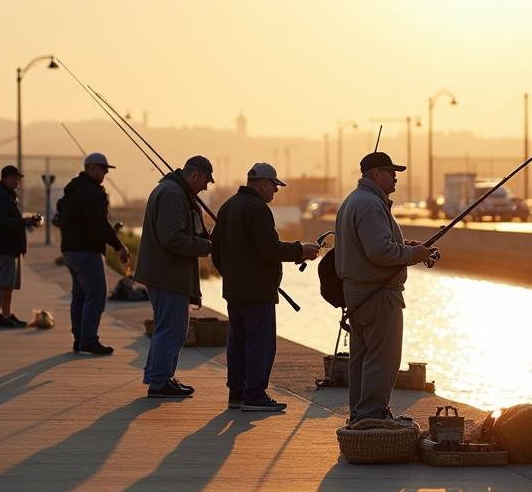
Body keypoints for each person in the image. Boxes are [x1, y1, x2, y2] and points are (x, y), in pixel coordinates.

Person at [334, 152, 435, 424]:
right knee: (383, 357)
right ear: (376, 175)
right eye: (391, 172)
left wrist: (407, 248)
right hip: (377, 294)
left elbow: (377, 247)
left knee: (362, 358)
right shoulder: (370, 205)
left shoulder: (354, 201)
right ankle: (372, 416)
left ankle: (360, 414)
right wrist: (416, 255)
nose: (395, 178)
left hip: (358, 293)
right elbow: (380, 252)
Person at [211, 163, 320, 412]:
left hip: (233, 290)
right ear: (262, 183)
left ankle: (237, 394)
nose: (275, 191)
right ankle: (255, 395)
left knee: (237, 342)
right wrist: (300, 250)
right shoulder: (258, 209)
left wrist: (230, 274)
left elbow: (215, 249)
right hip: (257, 292)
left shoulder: (228, 206)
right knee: (260, 343)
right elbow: (270, 249)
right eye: (274, 186)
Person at [134, 155, 214, 399]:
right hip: (168, 273)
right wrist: (209, 247)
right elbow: (172, 238)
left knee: (166, 327)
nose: (205, 187)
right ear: (194, 175)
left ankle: (158, 376)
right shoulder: (172, 195)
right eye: (205, 181)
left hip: (166, 272)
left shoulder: (175, 192)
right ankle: (159, 382)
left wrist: (205, 237)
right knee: (172, 329)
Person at [59, 153, 130, 355]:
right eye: (102, 168)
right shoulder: (91, 192)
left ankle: (79, 339)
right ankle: (89, 340)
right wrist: (119, 246)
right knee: (97, 295)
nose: (105, 173)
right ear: (90, 168)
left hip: (70, 252)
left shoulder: (73, 190)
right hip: (87, 252)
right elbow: (100, 224)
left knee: (80, 296)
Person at [0, 165, 42, 328]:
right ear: (7, 178)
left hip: (10, 248)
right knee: (1, 284)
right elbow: (1, 222)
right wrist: (25, 221)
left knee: (8, 285)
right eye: (16, 178)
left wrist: (27, 220)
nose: (18, 182)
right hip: (2, 248)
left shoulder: (7, 196)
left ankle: (6, 315)